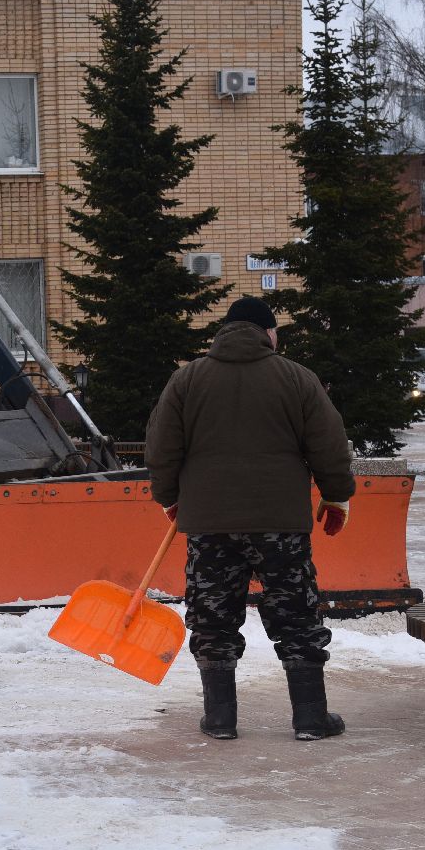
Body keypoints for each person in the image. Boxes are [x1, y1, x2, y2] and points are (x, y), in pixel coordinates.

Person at [144, 296, 355, 742]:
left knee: (212, 616)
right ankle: (310, 718)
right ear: (268, 332)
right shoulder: (297, 378)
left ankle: (220, 719)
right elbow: (329, 444)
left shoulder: (186, 380)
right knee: (296, 615)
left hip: (210, 524)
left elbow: (162, 448)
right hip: (281, 523)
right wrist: (337, 496)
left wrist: (169, 498)